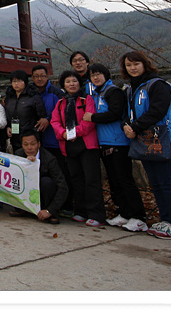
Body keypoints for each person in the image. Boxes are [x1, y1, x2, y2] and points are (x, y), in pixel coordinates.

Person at [120, 51, 171, 240]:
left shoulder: (157, 85)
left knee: (166, 182)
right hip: (144, 140)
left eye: (136, 64)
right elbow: (127, 113)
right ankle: (166, 220)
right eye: (128, 65)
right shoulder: (131, 89)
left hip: (163, 139)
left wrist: (135, 127)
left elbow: (157, 111)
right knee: (155, 183)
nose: (132, 68)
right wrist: (126, 125)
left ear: (144, 64)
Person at [83, 63, 148, 232]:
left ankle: (138, 217)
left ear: (106, 75)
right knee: (113, 180)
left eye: (99, 74)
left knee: (124, 179)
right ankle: (124, 213)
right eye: (93, 75)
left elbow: (115, 113)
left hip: (118, 142)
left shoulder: (113, 92)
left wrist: (93, 117)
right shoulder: (96, 94)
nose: (96, 77)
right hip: (104, 142)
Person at [50, 71, 105, 228]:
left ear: (79, 83)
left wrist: (74, 133)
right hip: (68, 144)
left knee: (91, 179)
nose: (71, 84)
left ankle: (96, 214)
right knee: (76, 179)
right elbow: (55, 121)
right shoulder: (60, 103)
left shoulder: (87, 99)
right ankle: (81, 211)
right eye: (68, 82)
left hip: (86, 145)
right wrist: (64, 133)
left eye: (74, 81)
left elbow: (89, 120)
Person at [28, 65, 71, 215]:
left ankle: (64, 206)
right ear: (32, 78)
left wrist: (48, 118)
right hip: (36, 141)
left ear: (48, 77)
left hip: (55, 140)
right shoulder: (30, 91)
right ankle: (40, 205)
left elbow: (63, 111)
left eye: (42, 76)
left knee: (60, 174)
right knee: (39, 176)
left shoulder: (56, 93)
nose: (39, 79)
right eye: (36, 76)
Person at [10, 130, 68, 224]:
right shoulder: (19, 155)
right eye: (26, 144)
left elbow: (63, 187)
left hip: (44, 194)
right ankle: (22, 209)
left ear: (39, 144)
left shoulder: (49, 159)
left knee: (46, 182)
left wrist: (50, 210)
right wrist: (25, 165)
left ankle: (50, 213)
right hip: (27, 193)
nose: (29, 148)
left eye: (32, 144)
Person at [3, 70, 46, 153]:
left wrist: (34, 131)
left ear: (25, 82)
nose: (16, 84)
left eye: (19, 81)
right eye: (14, 81)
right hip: (14, 135)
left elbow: (41, 116)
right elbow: (7, 113)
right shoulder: (9, 97)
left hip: (30, 136)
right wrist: (8, 126)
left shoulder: (33, 96)